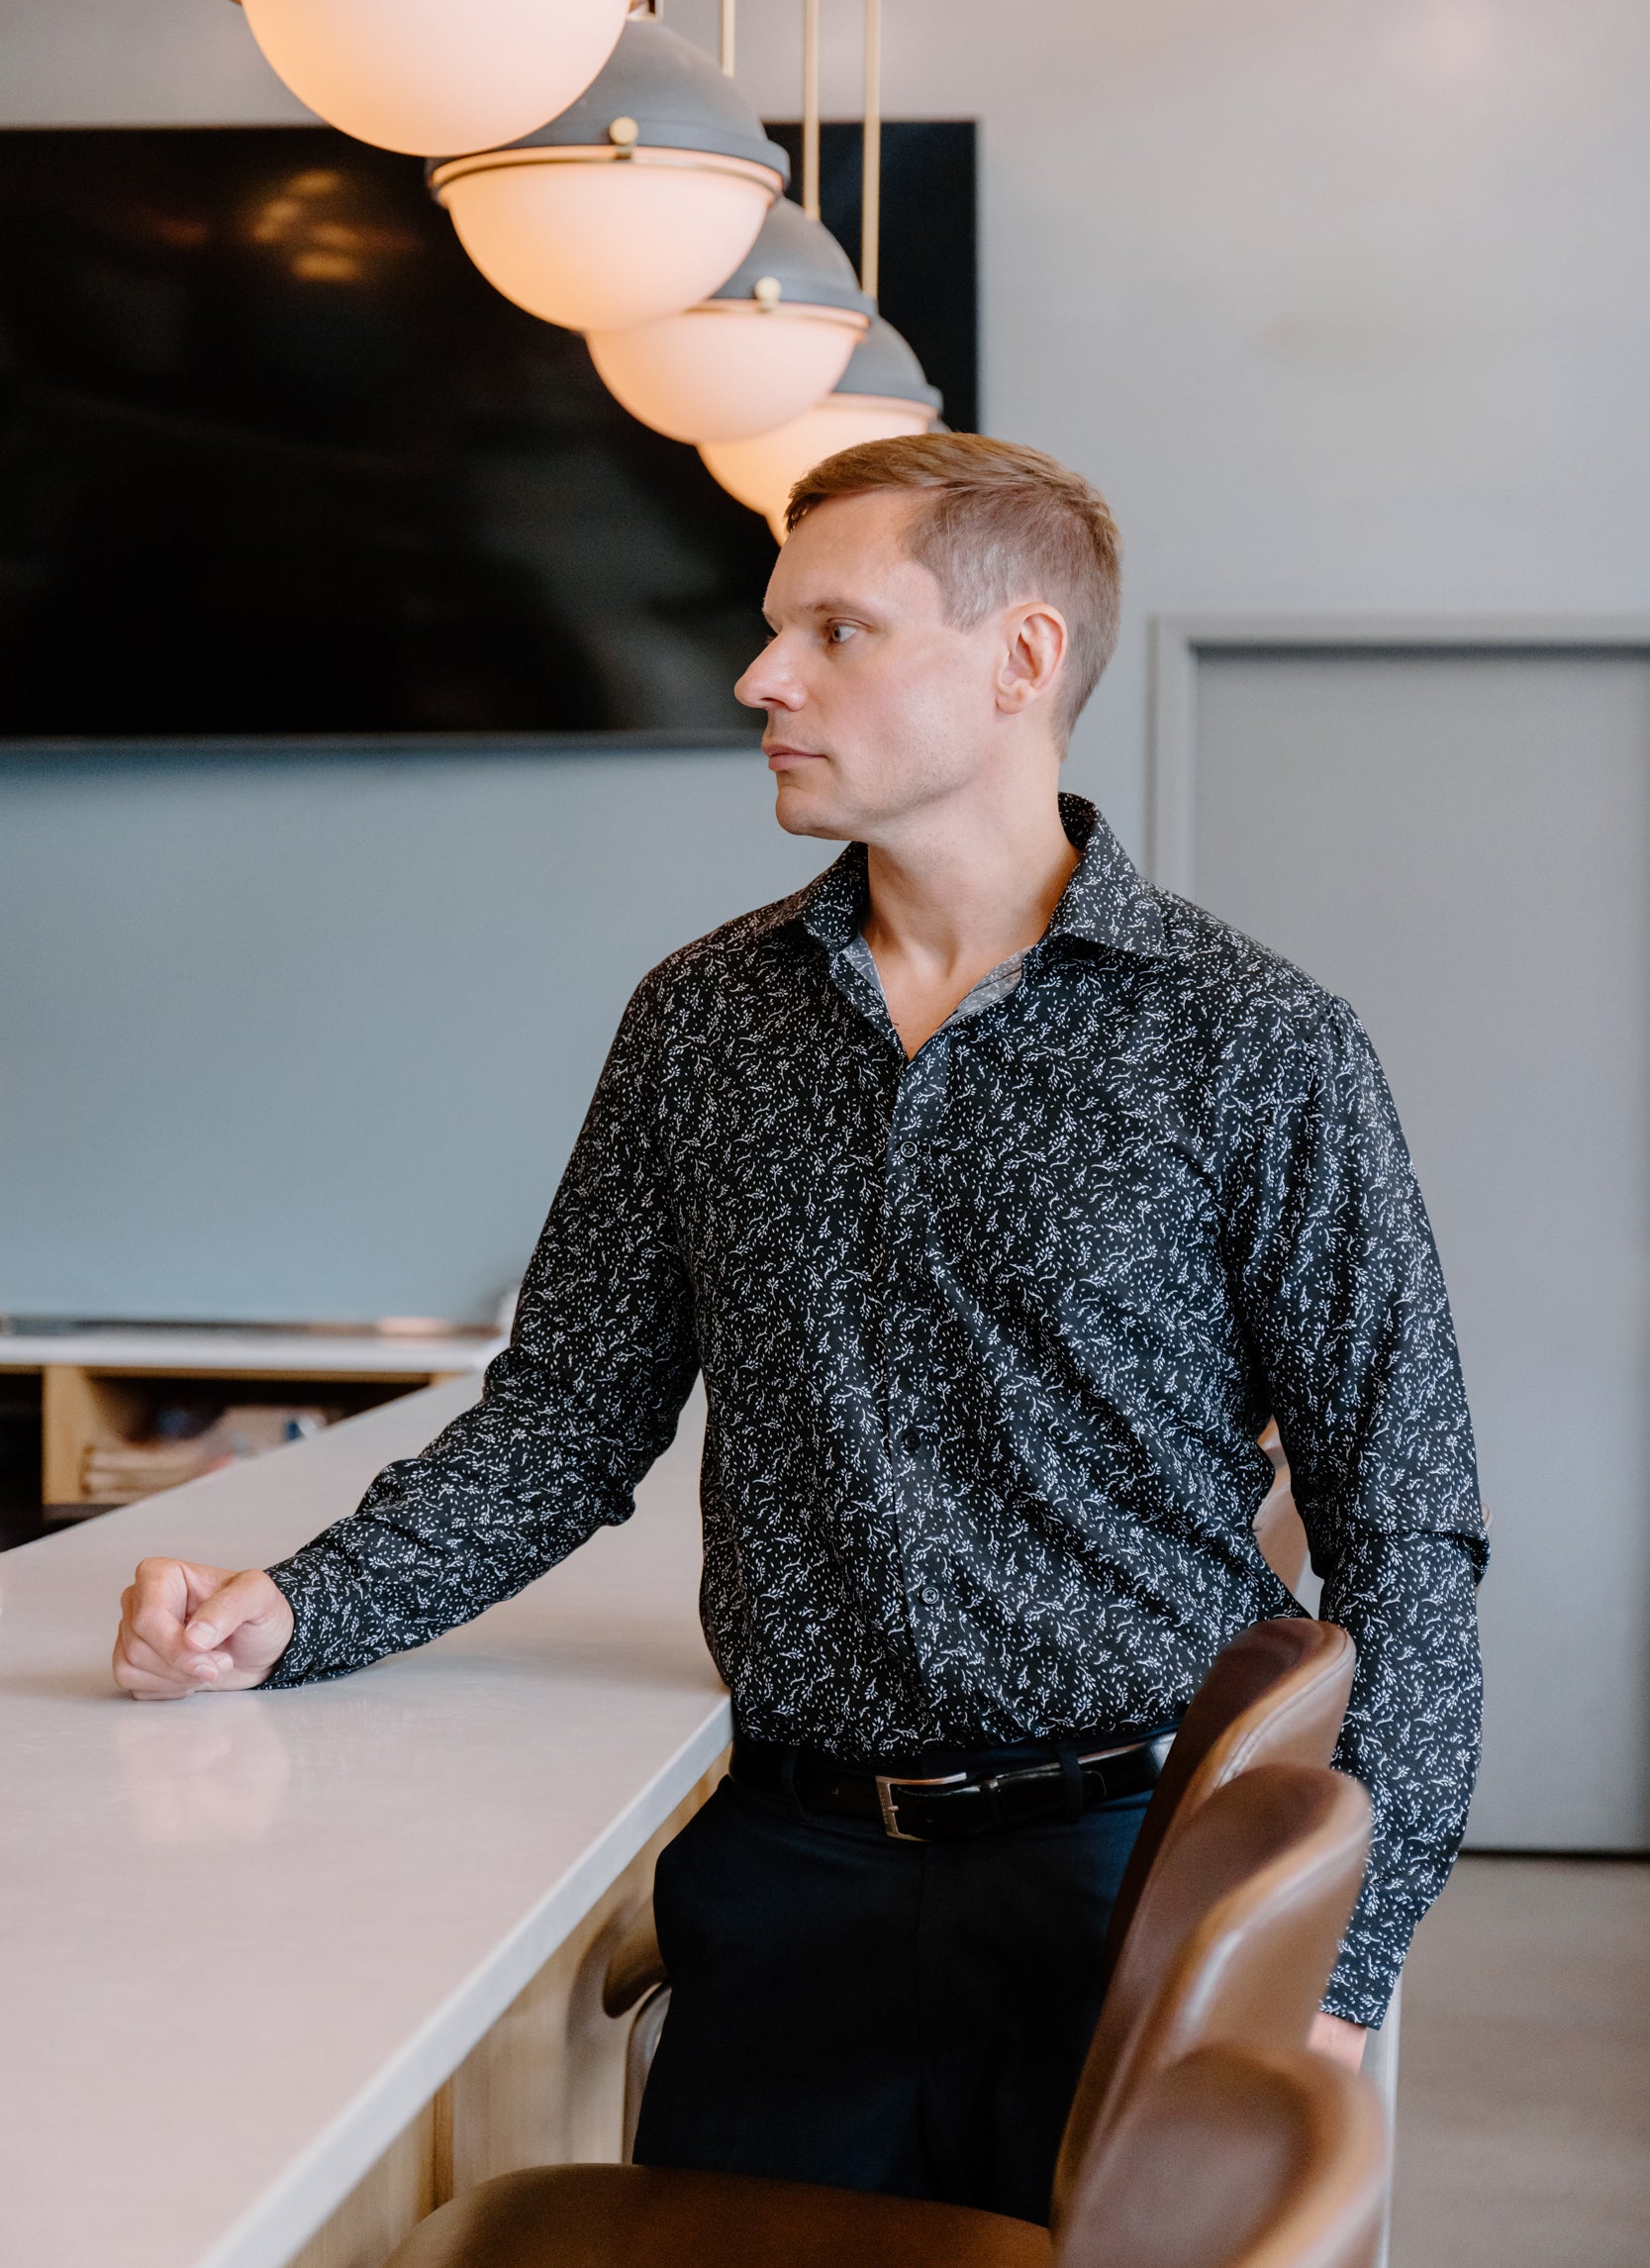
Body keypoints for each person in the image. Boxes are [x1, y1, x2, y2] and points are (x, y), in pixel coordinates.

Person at [113, 434, 1487, 2225]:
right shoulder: (700, 1022)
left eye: (839, 631)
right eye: (776, 629)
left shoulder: (1258, 1045)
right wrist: (291, 1608)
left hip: (1125, 1874)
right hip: (788, 1868)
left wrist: (1337, 1973)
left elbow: (1409, 1528)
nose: (762, 677)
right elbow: (563, 1424)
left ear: (1022, 664)